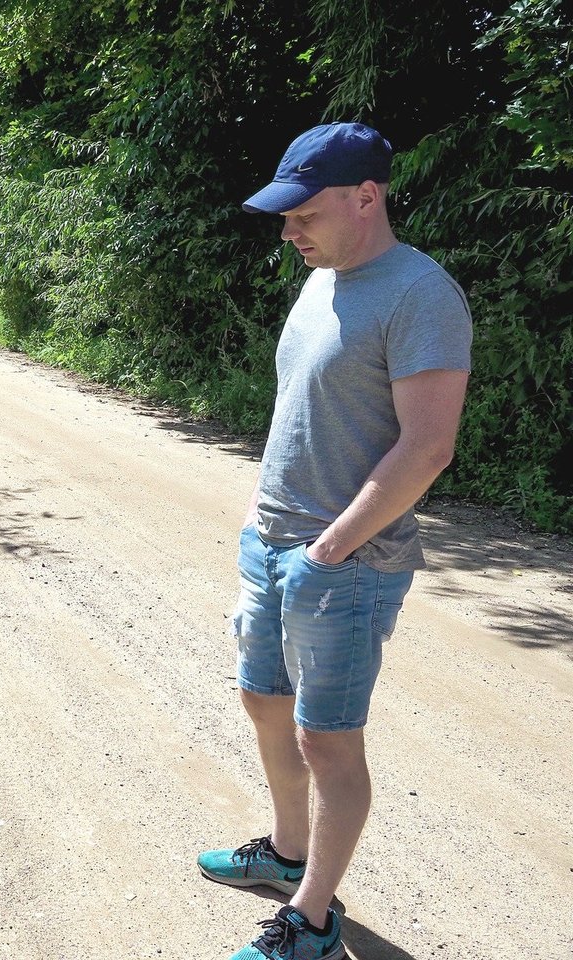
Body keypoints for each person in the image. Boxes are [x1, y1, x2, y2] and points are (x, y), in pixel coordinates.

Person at [198, 122, 473, 960]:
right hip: (270, 540)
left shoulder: (420, 294)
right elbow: (302, 408)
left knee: (327, 740)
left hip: (348, 562)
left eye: (304, 214)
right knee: (263, 700)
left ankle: (313, 919)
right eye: (285, 217)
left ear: (366, 198)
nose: (289, 232)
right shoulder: (322, 280)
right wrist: (260, 517)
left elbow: (428, 446)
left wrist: (330, 549)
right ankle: (287, 852)